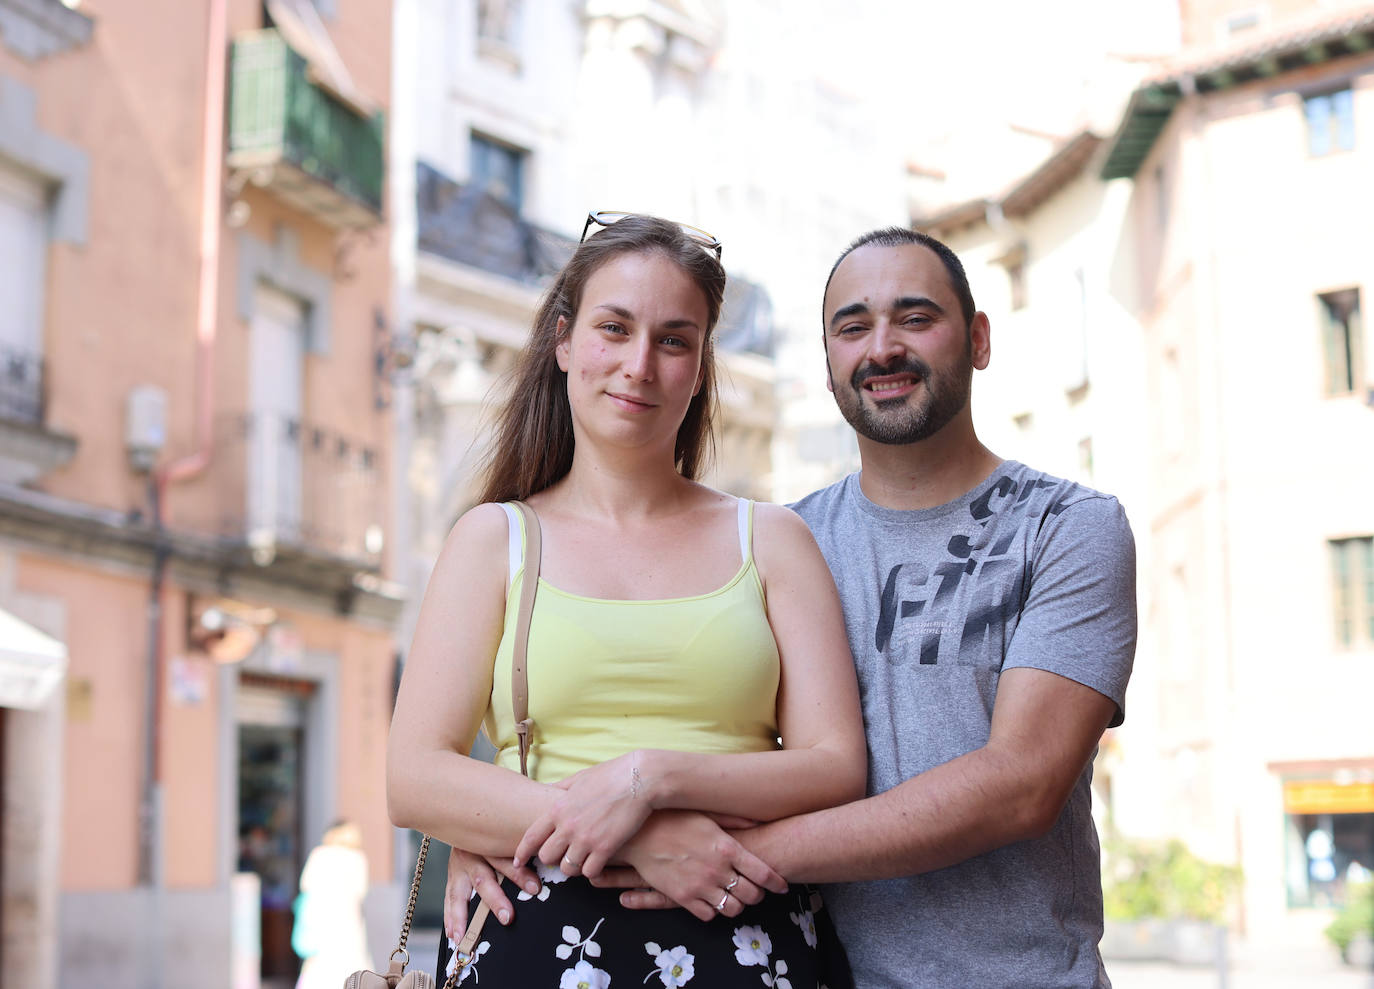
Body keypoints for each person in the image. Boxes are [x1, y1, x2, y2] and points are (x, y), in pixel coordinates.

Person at [449, 226, 1137, 988]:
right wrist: (494, 822)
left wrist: (653, 837)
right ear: (829, 358)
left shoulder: (1068, 526)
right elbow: (717, 729)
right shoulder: (789, 537)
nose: (882, 348)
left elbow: (1022, 784)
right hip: (816, 966)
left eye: (915, 318)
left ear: (977, 338)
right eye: (852, 326)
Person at [387, 212, 867, 987]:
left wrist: (648, 780)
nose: (639, 363)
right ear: (565, 342)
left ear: (701, 366)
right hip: (535, 939)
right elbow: (414, 776)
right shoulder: (493, 540)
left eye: (674, 339)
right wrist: (633, 834)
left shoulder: (773, 539)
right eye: (615, 328)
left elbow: (836, 766)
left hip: (747, 935)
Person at [293, 820, 371, 989]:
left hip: (321, 923)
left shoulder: (320, 855)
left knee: (319, 975)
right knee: (351, 975)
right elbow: (361, 891)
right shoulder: (357, 858)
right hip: (349, 926)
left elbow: (306, 886)